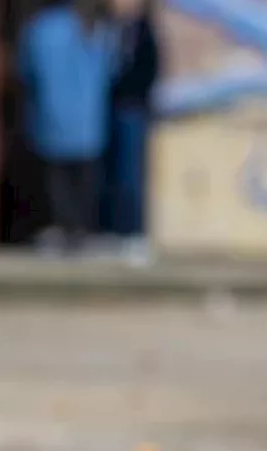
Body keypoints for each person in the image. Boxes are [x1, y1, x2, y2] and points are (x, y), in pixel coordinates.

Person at [17, 0, 118, 257]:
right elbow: (112, 69)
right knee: (85, 181)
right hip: (89, 119)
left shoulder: (41, 28)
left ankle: (64, 229)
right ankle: (80, 232)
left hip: (53, 116)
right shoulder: (99, 28)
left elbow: (26, 70)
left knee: (58, 181)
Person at [101, 0, 160, 267]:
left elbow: (149, 69)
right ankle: (112, 231)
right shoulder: (108, 30)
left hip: (133, 109)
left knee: (131, 175)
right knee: (109, 174)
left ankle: (135, 234)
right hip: (108, 110)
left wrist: (131, 94)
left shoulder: (144, 32)